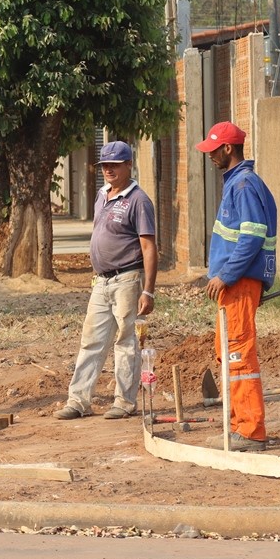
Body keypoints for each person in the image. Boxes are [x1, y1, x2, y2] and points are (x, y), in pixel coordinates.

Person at [54, 140, 158, 421]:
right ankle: (78, 401)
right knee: (91, 340)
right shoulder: (102, 195)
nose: (108, 170)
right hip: (101, 282)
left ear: (128, 165)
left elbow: (149, 247)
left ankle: (124, 402)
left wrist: (148, 291)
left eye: (114, 164)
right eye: (105, 165)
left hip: (127, 279)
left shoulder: (138, 201)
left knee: (126, 341)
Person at [196, 121, 278, 452]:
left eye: (213, 150)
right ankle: (237, 425)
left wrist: (226, 275)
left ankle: (251, 430)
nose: (210, 156)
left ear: (227, 149)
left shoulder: (243, 185)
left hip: (240, 283)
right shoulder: (238, 183)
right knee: (227, 352)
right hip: (235, 284)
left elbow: (252, 236)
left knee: (238, 353)